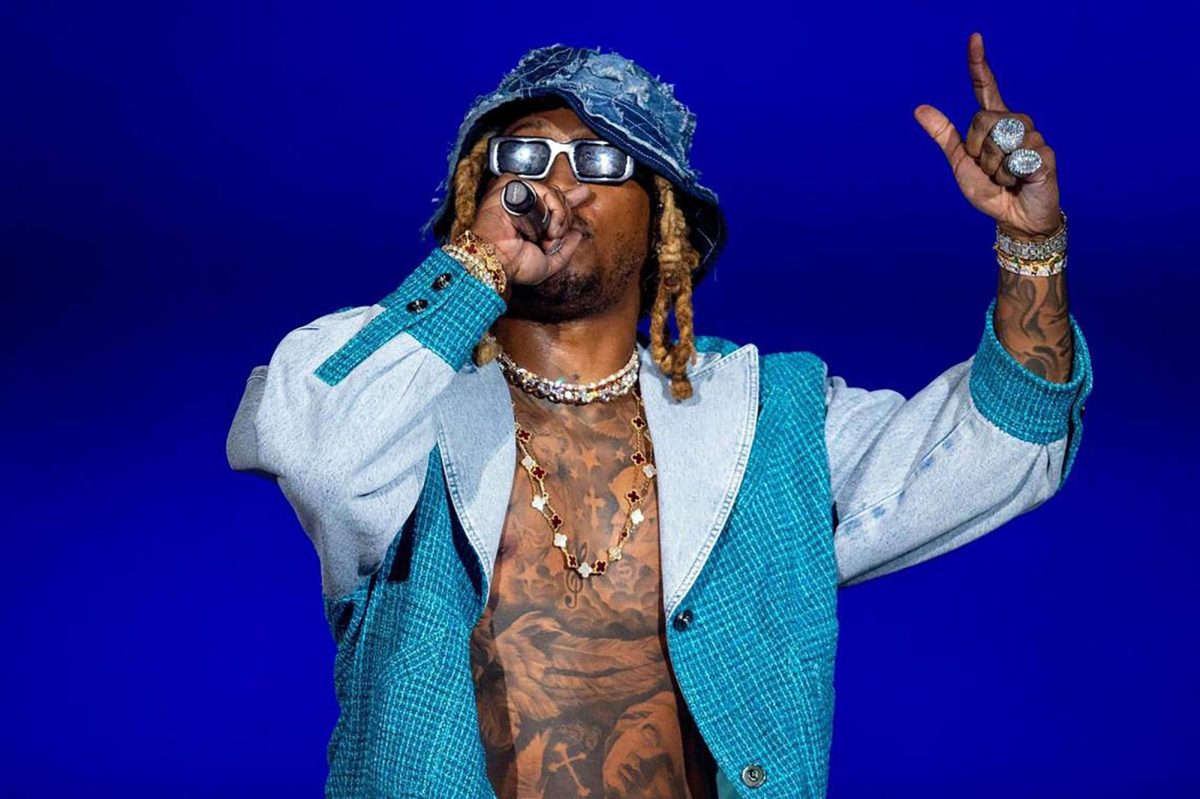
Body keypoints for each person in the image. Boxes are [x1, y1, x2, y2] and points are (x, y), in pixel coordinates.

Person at [226, 35, 1093, 799]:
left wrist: (1029, 249)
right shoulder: (399, 402)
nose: (552, 185)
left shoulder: (763, 424)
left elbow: (1001, 447)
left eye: (599, 161)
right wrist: (479, 262)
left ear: (664, 219)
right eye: (521, 158)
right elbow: (319, 455)